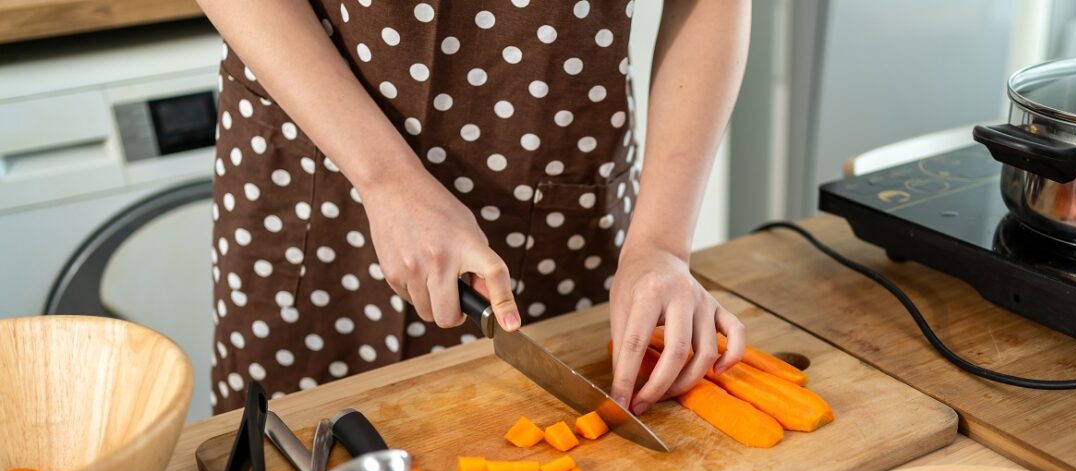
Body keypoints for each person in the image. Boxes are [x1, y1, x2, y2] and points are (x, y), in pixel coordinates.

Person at [201, 0, 750, 416]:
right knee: (270, 470)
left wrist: (660, 244)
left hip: (557, 184)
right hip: (318, 157)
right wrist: (385, 178)